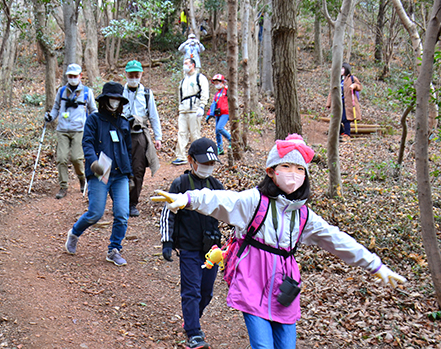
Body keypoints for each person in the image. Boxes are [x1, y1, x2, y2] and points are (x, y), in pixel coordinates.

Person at [154, 134, 406, 349]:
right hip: (252, 280)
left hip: (284, 286)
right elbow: (222, 199)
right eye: (286, 167)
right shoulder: (254, 201)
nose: (293, 174)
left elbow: (336, 239)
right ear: (271, 171)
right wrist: (187, 199)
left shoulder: (304, 215)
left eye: (299, 169)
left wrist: (375, 265)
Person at [160, 138, 223, 349]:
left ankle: (191, 319)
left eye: (211, 164)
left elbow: (230, 213)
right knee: (191, 290)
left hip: (212, 250)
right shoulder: (181, 184)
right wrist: (167, 242)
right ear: (190, 160)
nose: (207, 168)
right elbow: (167, 213)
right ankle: (194, 333)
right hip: (188, 248)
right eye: (203, 163)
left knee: (206, 292)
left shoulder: (217, 186)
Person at [65, 82, 133, 266]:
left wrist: (130, 174)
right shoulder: (93, 120)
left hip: (120, 175)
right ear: (104, 100)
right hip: (100, 172)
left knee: (122, 214)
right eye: (112, 99)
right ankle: (74, 233)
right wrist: (93, 161)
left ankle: (114, 249)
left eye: (118, 99)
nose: (114, 102)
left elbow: (128, 149)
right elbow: (86, 143)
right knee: (95, 213)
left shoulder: (124, 122)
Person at [45, 64, 97, 199]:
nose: (72, 78)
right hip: (62, 129)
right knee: (61, 159)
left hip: (79, 130)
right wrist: (51, 116)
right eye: (70, 76)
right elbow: (56, 107)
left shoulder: (87, 92)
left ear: (80, 76)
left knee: (76, 158)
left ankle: (82, 178)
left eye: (75, 76)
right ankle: (63, 187)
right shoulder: (62, 91)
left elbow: (93, 110)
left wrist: (94, 125)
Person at [122, 60, 162, 217]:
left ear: (141, 75)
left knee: (138, 170)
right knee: (122, 169)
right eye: (131, 74)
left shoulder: (146, 93)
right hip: (122, 135)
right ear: (126, 74)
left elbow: (153, 116)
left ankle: (132, 203)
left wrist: (158, 137)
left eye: (136, 75)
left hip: (140, 135)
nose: (133, 77)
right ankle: (120, 202)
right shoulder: (120, 92)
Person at [173, 58, 209, 166]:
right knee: (182, 133)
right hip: (184, 110)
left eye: (186, 63)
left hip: (195, 109)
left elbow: (204, 92)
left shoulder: (200, 78)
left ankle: (197, 156)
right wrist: (180, 108)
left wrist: (202, 106)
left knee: (195, 133)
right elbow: (180, 96)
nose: (184, 66)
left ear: (192, 65)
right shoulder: (183, 81)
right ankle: (181, 156)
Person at [326, 62, 362, 142]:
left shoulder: (352, 78)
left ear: (346, 69)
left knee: (346, 118)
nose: (341, 70)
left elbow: (359, 86)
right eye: (340, 69)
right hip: (338, 102)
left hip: (347, 102)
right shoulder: (337, 79)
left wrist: (354, 86)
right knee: (336, 118)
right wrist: (328, 103)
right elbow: (331, 92)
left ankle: (347, 134)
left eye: (343, 68)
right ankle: (341, 132)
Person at [206, 74, 231, 155]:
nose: (216, 84)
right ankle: (220, 148)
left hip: (225, 113)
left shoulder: (226, 90)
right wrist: (209, 114)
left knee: (220, 128)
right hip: (218, 113)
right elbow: (214, 104)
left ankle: (231, 140)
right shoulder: (217, 94)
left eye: (218, 82)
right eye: (215, 82)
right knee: (217, 131)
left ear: (222, 82)